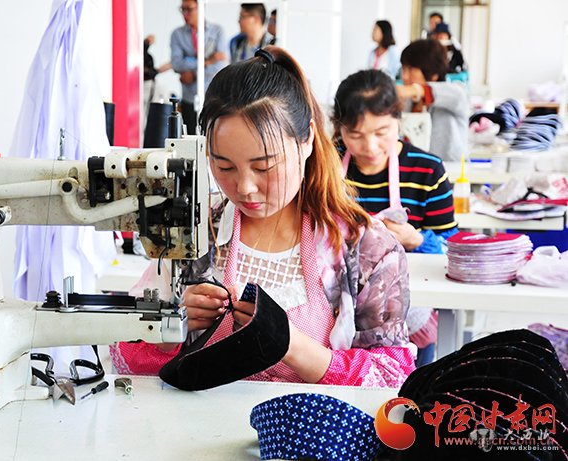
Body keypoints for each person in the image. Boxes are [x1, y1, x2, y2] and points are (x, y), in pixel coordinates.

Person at [109, 46, 416, 387]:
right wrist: (169, 332)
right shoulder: (195, 231)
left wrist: (292, 347)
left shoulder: (366, 247)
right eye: (224, 167)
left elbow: (393, 379)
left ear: (307, 140)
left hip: (308, 423)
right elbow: (125, 358)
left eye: (263, 167)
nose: (244, 188)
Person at [332, 69, 458, 366]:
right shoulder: (326, 165)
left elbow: (453, 251)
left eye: (381, 132)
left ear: (398, 120)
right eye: (355, 135)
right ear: (339, 128)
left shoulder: (427, 170)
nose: (370, 147)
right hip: (334, 312)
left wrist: (418, 239)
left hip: (408, 311)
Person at [397, 39, 468, 162]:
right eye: (403, 69)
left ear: (433, 73)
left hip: (451, 170)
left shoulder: (454, 93)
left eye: (411, 70)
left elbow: (452, 94)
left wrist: (413, 90)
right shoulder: (409, 101)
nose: (404, 76)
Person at [171, 0, 228, 135]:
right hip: (189, 98)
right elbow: (177, 63)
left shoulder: (217, 31)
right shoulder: (177, 34)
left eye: (189, 9)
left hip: (213, 97)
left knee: (213, 137)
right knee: (190, 138)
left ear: (201, 7)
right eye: (182, 9)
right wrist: (207, 61)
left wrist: (194, 74)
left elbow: (221, 66)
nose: (185, 14)